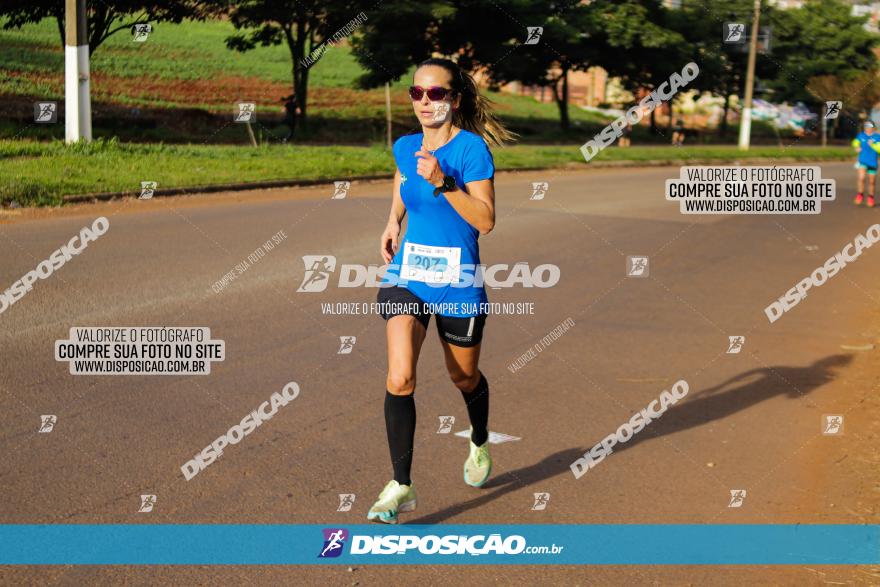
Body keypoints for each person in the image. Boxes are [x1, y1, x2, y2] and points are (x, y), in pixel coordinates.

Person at [369, 57, 514, 524]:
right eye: (417, 93)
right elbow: (402, 176)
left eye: (436, 94)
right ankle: (401, 486)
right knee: (399, 378)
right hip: (407, 276)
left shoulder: (471, 152)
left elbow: (486, 221)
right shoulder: (406, 145)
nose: (425, 102)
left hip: (457, 283)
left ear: (454, 99)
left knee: (464, 377)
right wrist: (394, 219)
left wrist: (443, 182)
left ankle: (478, 439)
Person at [852, 121, 880, 207]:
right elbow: (855, 142)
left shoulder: (877, 137)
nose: (867, 127)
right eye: (866, 126)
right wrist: (856, 147)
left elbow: (879, 149)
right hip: (862, 161)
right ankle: (860, 194)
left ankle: (870, 197)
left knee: (872, 181)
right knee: (861, 178)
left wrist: (873, 145)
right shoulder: (861, 135)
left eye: (869, 126)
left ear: (873, 127)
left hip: (872, 162)